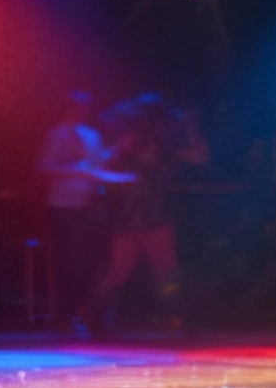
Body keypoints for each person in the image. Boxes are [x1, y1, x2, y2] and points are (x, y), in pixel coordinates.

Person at [80, 95, 209, 333]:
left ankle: (175, 315)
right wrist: (121, 178)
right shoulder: (128, 142)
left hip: (153, 215)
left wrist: (191, 129)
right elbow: (97, 170)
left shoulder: (166, 145)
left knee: (165, 270)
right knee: (121, 272)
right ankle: (89, 313)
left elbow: (201, 156)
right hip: (130, 216)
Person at [37, 92, 133, 324]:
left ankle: (88, 310)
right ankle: (65, 314)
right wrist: (77, 169)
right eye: (77, 106)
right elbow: (45, 168)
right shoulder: (56, 135)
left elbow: (97, 166)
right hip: (65, 206)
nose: (82, 111)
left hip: (90, 204)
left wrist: (117, 150)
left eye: (85, 107)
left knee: (94, 260)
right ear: (68, 107)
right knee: (70, 261)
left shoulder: (91, 135)